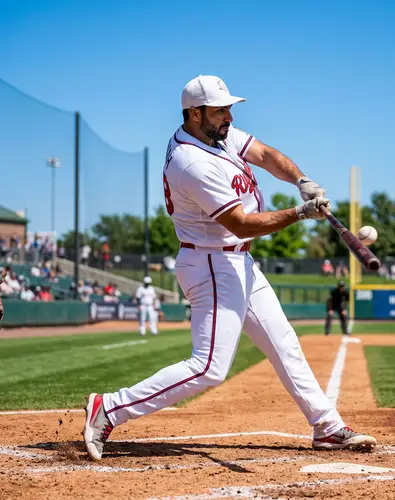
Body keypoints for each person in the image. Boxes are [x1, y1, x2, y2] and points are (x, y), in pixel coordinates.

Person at [83, 74, 376, 461]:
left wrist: (300, 180)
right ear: (194, 113)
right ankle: (109, 408)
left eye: (229, 109)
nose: (228, 117)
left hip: (237, 261)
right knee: (209, 368)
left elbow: (267, 155)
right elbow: (239, 223)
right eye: (220, 110)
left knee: (283, 342)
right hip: (211, 262)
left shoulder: (217, 136)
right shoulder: (191, 162)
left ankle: (327, 427)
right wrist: (300, 212)